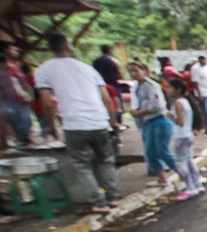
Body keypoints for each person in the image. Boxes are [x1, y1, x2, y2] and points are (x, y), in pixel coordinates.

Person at [33, 33, 121, 214]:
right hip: (99, 121)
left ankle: (99, 201)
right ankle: (112, 197)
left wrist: (50, 126)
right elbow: (106, 98)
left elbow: (47, 103)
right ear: (68, 45)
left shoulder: (43, 70)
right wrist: (112, 122)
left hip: (75, 125)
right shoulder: (87, 68)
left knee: (82, 165)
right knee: (106, 161)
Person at [127, 62, 177, 188]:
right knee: (151, 152)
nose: (133, 74)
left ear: (144, 70)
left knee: (162, 151)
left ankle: (185, 175)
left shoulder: (151, 86)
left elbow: (158, 105)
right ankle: (162, 179)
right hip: (147, 122)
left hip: (159, 120)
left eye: (136, 70)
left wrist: (140, 112)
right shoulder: (136, 87)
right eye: (130, 71)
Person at [164, 78, 206, 200]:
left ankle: (190, 188)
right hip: (188, 134)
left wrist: (171, 117)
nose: (167, 90)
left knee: (181, 163)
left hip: (181, 135)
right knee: (189, 161)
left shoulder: (178, 103)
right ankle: (197, 184)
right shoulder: (185, 101)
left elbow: (180, 122)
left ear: (177, 90)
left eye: (169, 87)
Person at [1, 41, 35, 148]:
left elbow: (26, 86)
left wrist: (31, 98)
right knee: (9, 120)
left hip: (20, 103)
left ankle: (24, 140)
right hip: (7, 104)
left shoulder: (15, 73)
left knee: (26, 122)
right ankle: (15, 140)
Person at [93, 45, 127, 125]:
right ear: (109, 50)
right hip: (113, 85)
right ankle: (118, 123)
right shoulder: (113, 61)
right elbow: (120, 74)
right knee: (117, 104)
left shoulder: (96, 61)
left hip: (100, 86)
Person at [189, 56, 207, 134]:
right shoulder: (195, 68)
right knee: (205, 111)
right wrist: (199, 94)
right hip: (203, 92)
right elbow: (195, 82)